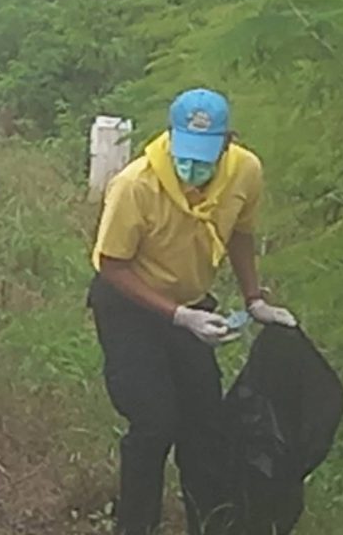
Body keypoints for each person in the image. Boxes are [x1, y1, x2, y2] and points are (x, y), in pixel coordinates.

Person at [87, 87, 299, 535]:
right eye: (185, 156)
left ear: (227, 143)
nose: (193, 168)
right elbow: (111, 265)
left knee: (205, 426)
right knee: (154, 421)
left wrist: (254, 299)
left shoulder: (245, 171)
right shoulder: (135, 185)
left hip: (190, 303)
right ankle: (135, 526)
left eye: (204, 157)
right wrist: (178, 317)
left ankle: (208, 525)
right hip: (129, 304)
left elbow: (241, 233)